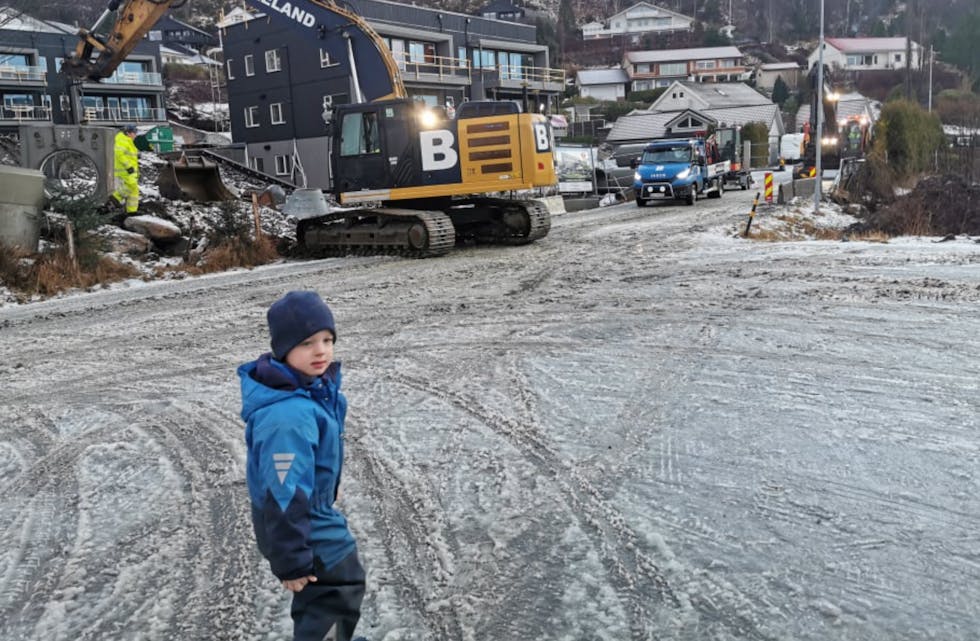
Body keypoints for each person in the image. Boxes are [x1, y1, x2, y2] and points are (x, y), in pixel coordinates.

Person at [238, 291, 367, 641]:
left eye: (327, 340)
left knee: (341, 588)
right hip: (303, 524)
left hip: (312, 515)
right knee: (334, 590)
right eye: (307, 342)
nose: (322, 350)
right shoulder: (288, 416)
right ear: (284, 349)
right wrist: (293, 557)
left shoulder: (309, 393)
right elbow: (282, 492)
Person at [111, 124, 140, 215]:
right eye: (134, 133)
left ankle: (132, 212)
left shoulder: (128, 141)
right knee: (130, 186)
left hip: (130, 172)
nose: (135, 135)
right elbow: (119, 154)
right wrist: (128, 167)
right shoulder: (122, 140)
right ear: (128, 133)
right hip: (124, 171)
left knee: (134, 191)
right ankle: (114, 199)